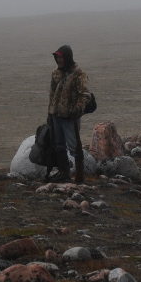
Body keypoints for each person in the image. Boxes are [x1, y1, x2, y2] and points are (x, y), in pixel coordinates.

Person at [47, 44, 91, 183]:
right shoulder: (55, 73)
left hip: (70, 117)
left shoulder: (79, 74)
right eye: (57, 57)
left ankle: (79, 176)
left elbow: (84, 94)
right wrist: (50, 113)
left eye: (60, 57)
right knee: (59, 145)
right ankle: (64, 173)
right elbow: (52, 95)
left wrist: (79, 108)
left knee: (74, 147)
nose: (58, 60)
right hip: (56, 115)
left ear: (67, 58)